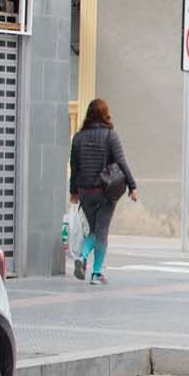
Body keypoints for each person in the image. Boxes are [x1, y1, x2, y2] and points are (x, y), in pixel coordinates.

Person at [68, 98, 137, 285]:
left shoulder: (78, 137)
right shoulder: (110, 135)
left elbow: (74, 167)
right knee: (101, 232)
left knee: (93, 230)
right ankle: (95, 271)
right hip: (104, 191)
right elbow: (121, 162)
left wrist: (73, 191)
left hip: (85, 191)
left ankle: (83, 259)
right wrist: (132, 186)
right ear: (105, 114)